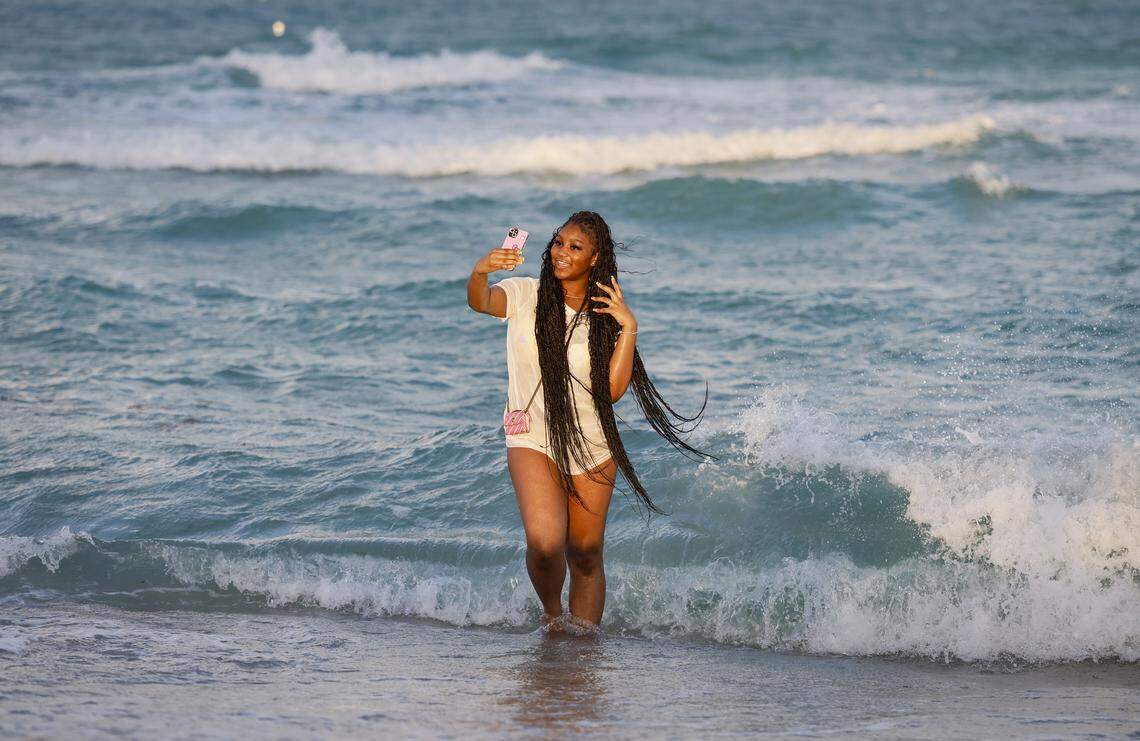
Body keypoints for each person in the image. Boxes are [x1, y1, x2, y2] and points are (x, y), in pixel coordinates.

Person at [466, 211, 714, 635]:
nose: (561, 252)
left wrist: (629, 326)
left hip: (593, 444)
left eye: (574, 247)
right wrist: (479, 271)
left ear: (596, 258)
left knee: (584, 552)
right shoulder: (527, 294)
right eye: (559, 243)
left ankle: (583, 644)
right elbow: (482, 301)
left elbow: (613, 392)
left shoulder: (607, 316)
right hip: (531, 437)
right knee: (545, 545)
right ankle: (551, 616)